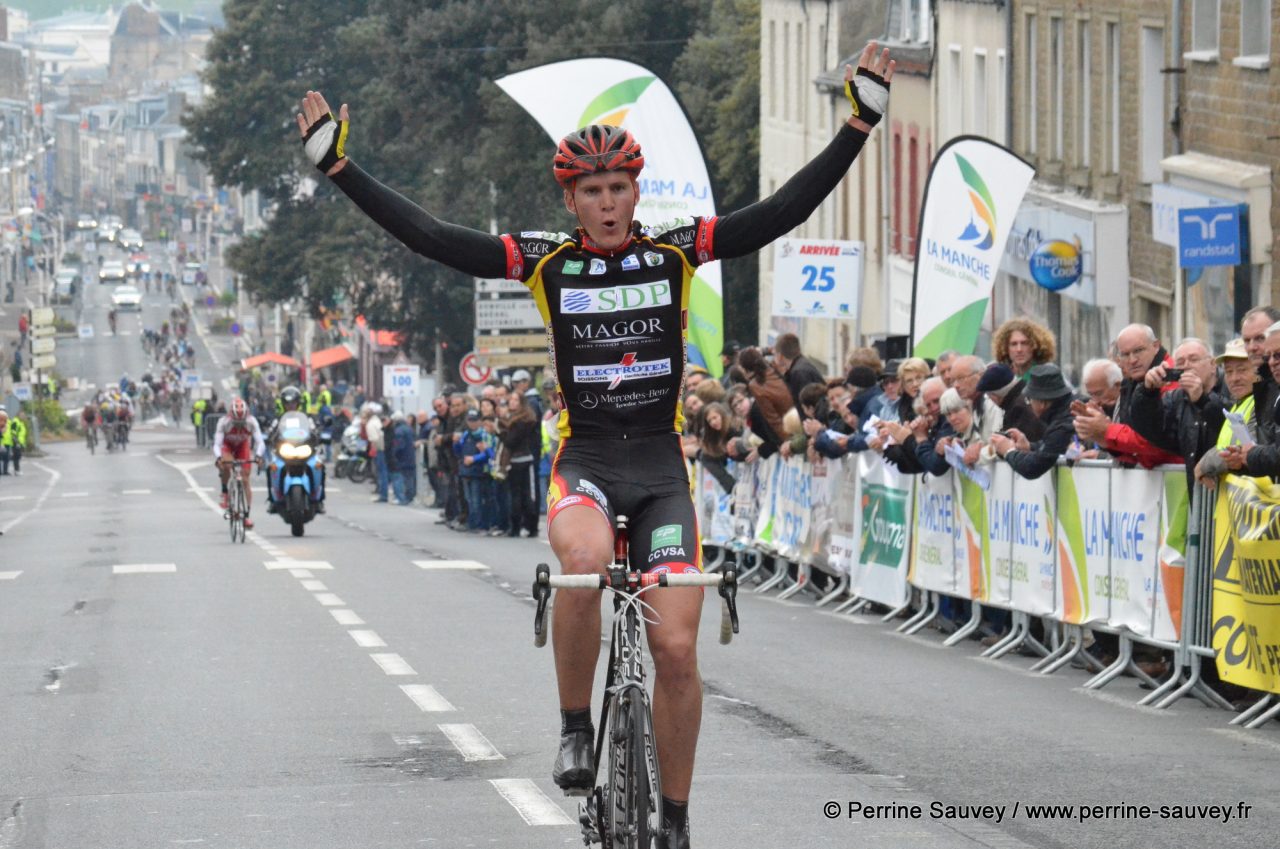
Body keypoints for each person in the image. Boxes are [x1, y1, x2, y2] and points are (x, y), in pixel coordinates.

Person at [298, 40, 894, 848]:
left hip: (660, 468)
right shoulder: (546, 262)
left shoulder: (676, 251)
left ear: (635, 191)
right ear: (571, 198)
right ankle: (577, 723)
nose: (608, 203)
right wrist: (340, 169)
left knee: (677, 646)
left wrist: (858, 123)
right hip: (587, 460)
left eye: (619, 188)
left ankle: (675, 818)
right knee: (581, 567)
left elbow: (780, 213)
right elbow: (433, 236)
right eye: (592, 191)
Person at [1130, 337, 1227, 487]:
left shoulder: (1231, 386)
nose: (1187, 366)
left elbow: (1231, 428)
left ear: (1212, 364)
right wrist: (1147, 391)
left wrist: (1202, 400)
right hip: (1198, 492)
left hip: (1234, 492)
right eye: (1181, 363)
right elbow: (1151, 430)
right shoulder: (1177, 397)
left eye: (1194, 359)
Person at [988, 364, 1076, 479]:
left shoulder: (1062, 425)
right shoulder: (1064, 414)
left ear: (1042, 403)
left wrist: (1009, 451)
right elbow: (1052, 447)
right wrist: (1029, 446)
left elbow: (1033, 467)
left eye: (1029, 400)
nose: (1028, 404)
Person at [1194, 339, 1258, 487]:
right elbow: (1229, 446)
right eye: (1229, 371)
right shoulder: (1239, 405)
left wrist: (1206, 463)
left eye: (1242, 370)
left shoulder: (1260, 404)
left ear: (1257, 369)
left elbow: (1246, 451)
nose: (1234, 378)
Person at [213, 398, 265, 528]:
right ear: (231, 416)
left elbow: (260, 442)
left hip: (242, 446)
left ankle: (246, 516)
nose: (239, 424)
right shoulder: (223, 422)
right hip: (227, 446)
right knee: (227, 465)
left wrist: (258, 456)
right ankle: (225, 491)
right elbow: (217, 444)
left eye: (242, 422)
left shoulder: (252, 421)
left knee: (246, 478)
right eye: (236, 422)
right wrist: (219, 458)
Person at [501, 392, 541, 537]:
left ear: (521, 403)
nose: (512, 402)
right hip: (513, 461)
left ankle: (530, 526)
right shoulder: (510, 419)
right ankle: (517, 526)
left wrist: (500, 432)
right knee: (516, 494)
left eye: (515, 400)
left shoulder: (523, 420)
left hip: (524, 459)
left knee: (525, 494)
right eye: (510, 399)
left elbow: (510, 441)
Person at [773, 332, 824, 410]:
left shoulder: (799, 373)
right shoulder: (801, 367)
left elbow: (803, 405)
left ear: (780, 356)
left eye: (774, 354)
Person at [992, 317, 1056, 379]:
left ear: (1035, 345)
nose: (1019, 349)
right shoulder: (998, 376)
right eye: (1014, 344)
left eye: (1024, 343)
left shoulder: (1048, 375)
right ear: (1005, 348)